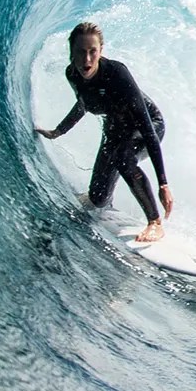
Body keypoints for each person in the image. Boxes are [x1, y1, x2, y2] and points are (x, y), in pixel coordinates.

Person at [35, 21, 174, 242]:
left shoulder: (117, 74)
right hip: (117, 128)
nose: (87, 60)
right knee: (97, 199)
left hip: (148, 126)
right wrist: (58, 131)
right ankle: (109, 204)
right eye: (81, 52)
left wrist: (163, 183)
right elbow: (84, 104)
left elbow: (148, 128)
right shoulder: (72, 74)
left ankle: (155, 222)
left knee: (123, 158)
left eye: (93, 52)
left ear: (101, 51)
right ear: (71, 52)